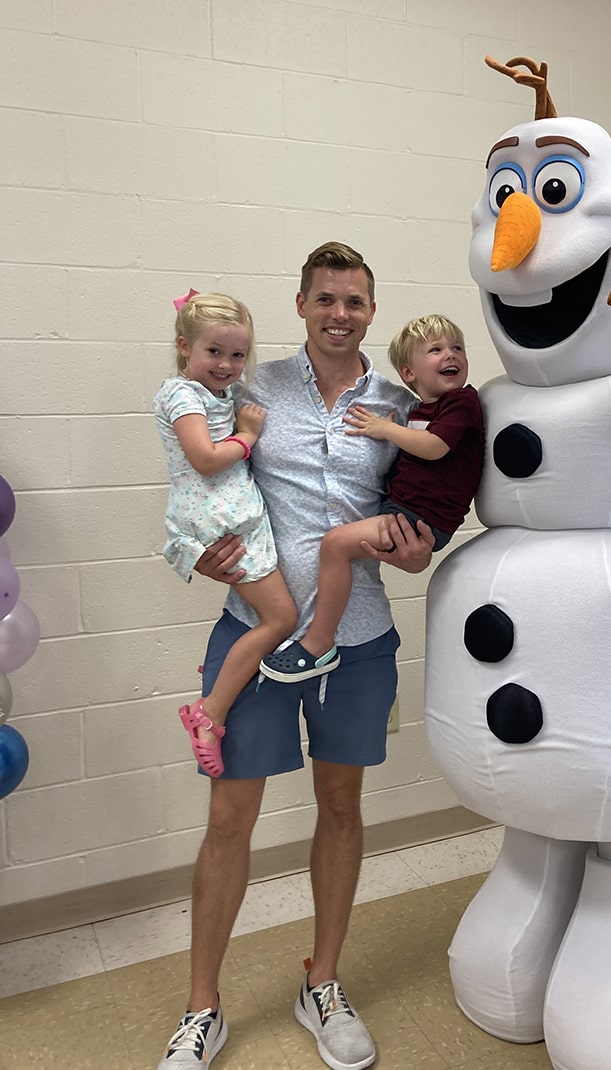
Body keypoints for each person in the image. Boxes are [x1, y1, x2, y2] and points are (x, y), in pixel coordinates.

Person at [156, 243, 435, 1070]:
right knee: (228, 819)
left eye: (355, 301)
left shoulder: (398, 404)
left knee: (342, 806)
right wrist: (201, 546)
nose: (340, 314)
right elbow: (195, 469)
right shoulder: (249, 386)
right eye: (326, 299)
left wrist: (417, 552)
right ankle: (203, 1008)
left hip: (358, 640)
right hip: (255, 622)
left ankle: (322, 982)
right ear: (303, 305)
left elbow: (418, 516)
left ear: (371, 312)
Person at [258, 314, 484, 684]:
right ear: (408, 373)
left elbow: (434, 447)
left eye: (457, 347)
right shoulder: (419, 410)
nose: (450, 355)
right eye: (437, 349)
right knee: (338, 540)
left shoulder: (462, 402)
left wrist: (386, 429)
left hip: (419, 518)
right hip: (402, 510)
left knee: (335, 544)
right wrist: (395, 429)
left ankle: (318, 643)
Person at [154, 292, 298, 776]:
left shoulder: (220, 395)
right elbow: (206, 458)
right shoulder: (180, 394)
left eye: (238, 354)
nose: (227, 364)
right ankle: (209, 712)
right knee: (279, 618)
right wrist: (248, 436)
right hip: (220, 519)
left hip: (237, 513)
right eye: (214, 352)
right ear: (183, 347)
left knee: (275, 617)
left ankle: (214, 703)